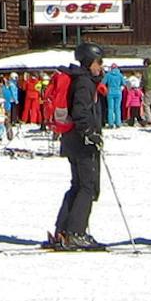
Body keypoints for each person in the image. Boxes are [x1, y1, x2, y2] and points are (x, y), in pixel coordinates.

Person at [45, 43, 107, 250]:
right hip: (81, 142)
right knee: (88, 187)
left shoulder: (79, 79)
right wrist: (90, 133)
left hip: (72, 140)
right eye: (99, 62)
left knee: (78, 185)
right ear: (89, 62)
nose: (101, 66)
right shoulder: (84, 83)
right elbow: (80, 112)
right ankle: (76, 232)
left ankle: (63, 230)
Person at [102, 61, 126, 130]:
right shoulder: (120, 75)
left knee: (110, 108)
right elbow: (124, 84)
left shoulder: (108, 75)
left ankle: (111, 123)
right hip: (118, 92)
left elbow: (103, 83)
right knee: (117, 108)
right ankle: (118, 123)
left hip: (110, 92)